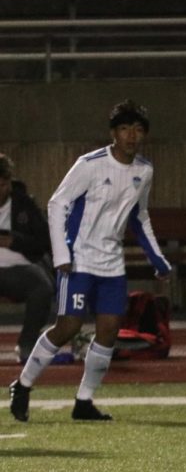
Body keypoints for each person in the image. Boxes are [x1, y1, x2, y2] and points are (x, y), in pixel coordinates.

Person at [9, 100, 171, 422]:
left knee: (109, 330)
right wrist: (61, 254)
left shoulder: (144, 171)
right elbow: (58, 204)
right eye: (125, 129)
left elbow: (139, 217)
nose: (131, 136)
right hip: (79, 259)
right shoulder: (90, 164)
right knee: (68, 326)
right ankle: (23, 385)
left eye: (138, 130)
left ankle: (84, 401)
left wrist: (158, 258)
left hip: (112, 262)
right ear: (113, 133)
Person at [0, 154, 54, 363]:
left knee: (43, 287)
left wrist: (14, 241)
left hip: (20, 268)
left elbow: (43, 241)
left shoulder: (24, 203)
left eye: (3, 184)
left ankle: (26, 343)